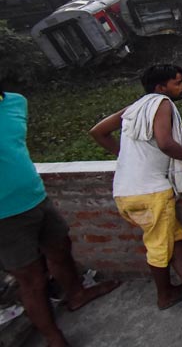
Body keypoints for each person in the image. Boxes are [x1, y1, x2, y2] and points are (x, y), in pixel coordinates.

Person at [1, 79, 119, 347]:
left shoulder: (15, 102)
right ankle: (54, 337)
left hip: (36, 197)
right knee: (31, 279)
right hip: (4, 217)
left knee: (60, 248)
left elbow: (13, 149)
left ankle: (76, 293)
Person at [89, 64, 182, 310]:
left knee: (172, 236)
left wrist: (125, 156)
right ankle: (164, 295)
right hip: (151, 191)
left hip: (125, 190)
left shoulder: (135, 108)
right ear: (161, 88)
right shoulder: (162, 103)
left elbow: (98, 132)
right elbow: (166, 144)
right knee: (158, 245)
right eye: (177, 83)